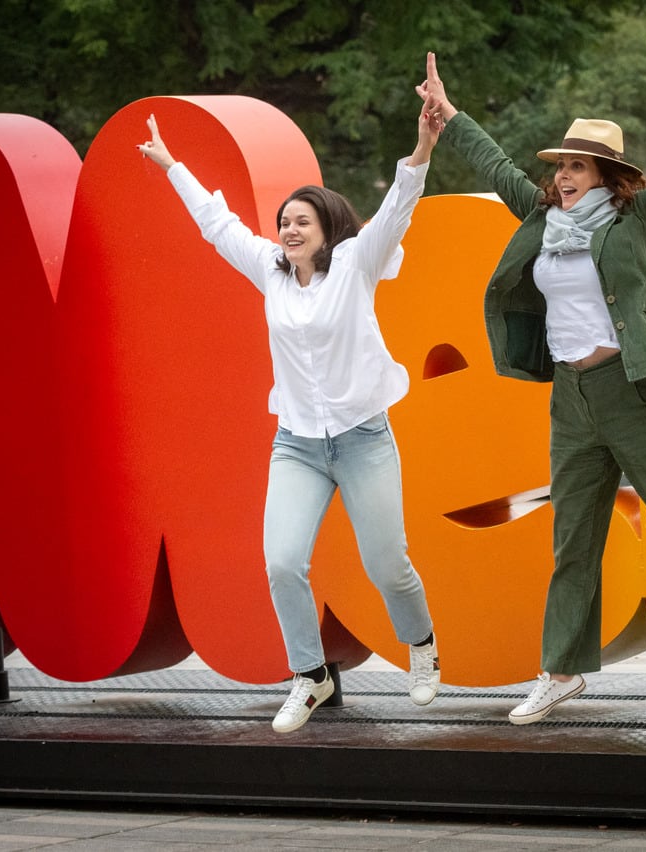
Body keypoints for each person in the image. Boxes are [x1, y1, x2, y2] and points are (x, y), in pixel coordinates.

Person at [416, 30, 646, 723]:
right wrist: (449, 112)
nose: (564, 176)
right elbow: (494, 166)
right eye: (561, 166)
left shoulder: (636, 217)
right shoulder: (541, 218)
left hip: (635, 394)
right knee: (573, 542)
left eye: (579, 166)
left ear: (608, 176)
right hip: (572, 401)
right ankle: (560, 670)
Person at [136, 98, 444, 733]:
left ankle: (421, 644)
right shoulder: (270, 273)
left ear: (328, 227)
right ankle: (309, 675)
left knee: (388, 561)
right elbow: (217, 225)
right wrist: (172, 166)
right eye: (284, 221)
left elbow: (397, 208)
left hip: (363, 439)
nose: (290, 229)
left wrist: (422, 149)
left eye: (302, 220)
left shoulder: (356, 264)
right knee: (281, 562)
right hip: (298, 446)